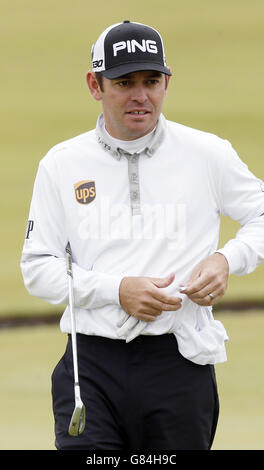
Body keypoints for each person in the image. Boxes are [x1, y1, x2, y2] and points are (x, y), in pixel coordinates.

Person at [21, 20, 264, 450]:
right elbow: (38, 269)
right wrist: (117, 290)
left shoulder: (206, 154)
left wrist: (228, 259)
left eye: (151, 81)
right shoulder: (61, 164)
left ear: (167, 82)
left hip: (179, 361)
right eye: (124, 82)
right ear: (95, 85)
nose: (140, 95)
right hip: (91, 365)